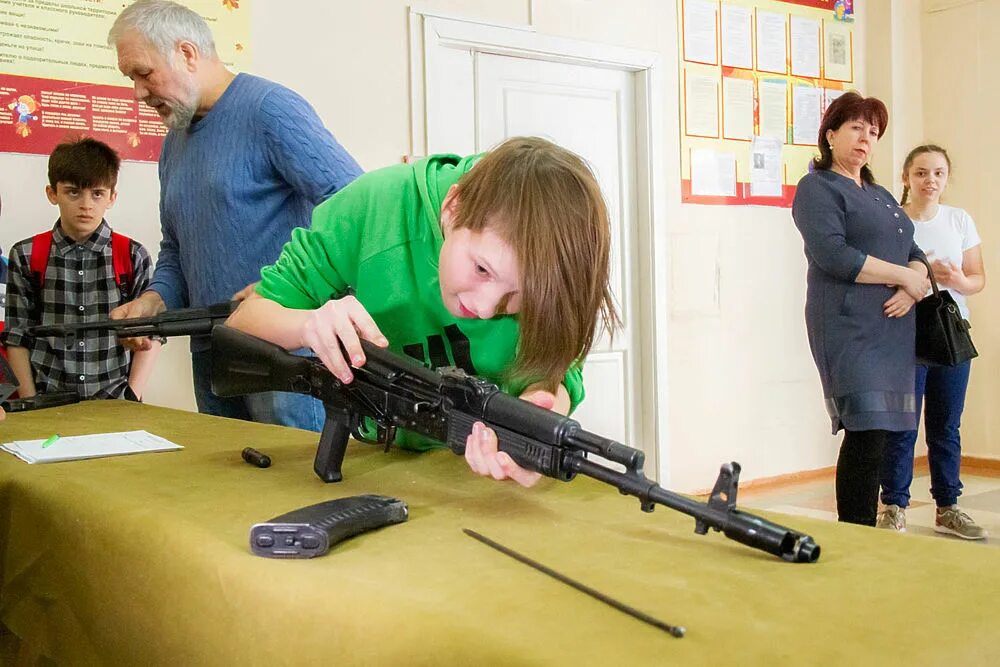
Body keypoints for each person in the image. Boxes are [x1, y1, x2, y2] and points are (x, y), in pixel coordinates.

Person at [226, 136, 619, 486]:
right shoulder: (373, 208)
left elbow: (560, 365)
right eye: (482, 269)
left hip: (484, 487)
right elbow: (244, 320)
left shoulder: (557, 253)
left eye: (519, 297)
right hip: (374, 470)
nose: (483, 308)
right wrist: (308, 324)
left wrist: (543, 410)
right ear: (452, 208)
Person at [106, 0, 363, 430]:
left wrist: (282, 286)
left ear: (186, 53)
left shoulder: (269, 109)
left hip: (283, 355)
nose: (137, 92)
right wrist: (155, 299)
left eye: (143, 73)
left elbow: (356, 206)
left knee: (296, 488)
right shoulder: (174, 144)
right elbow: (176, 248)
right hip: (212, 353)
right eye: (130, 78)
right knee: (234, 489)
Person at [791, 92, 930, 526]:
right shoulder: (817, 187)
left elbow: (914, 248)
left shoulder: (881, 193)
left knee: (886, 434)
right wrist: (904, 276)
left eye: (873, 132)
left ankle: (869, 527)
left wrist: (913, 283)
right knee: (866, 431)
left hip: (893, 327)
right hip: (848, 324)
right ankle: (856, 531)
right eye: (855, 128)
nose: (865, 139)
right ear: (830, 134)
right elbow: (834, 255)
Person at [877, 145, 988, 539]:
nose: (930, 181)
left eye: (938, 173)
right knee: (901, 423)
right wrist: (924, 276)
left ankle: (948, 506)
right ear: (906, 177)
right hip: (905, 334)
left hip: (949, 335)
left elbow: (977, 278)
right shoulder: (894, 220)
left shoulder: (959, 220)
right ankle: (893, 505)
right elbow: (885, 276)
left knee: (946, 425)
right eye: (921, 173)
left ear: (946, 178)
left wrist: (954, 279)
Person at [0, 138, 160, 401]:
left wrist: (132, 395)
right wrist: (29, 400)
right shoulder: (28, 255)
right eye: (73, 192)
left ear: (112, 197)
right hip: (48, 396)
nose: (86, 204)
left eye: (97, 193)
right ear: (53, 193)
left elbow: (151, 333)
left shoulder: (132, 255)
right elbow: (17, 334)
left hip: (116, 399)